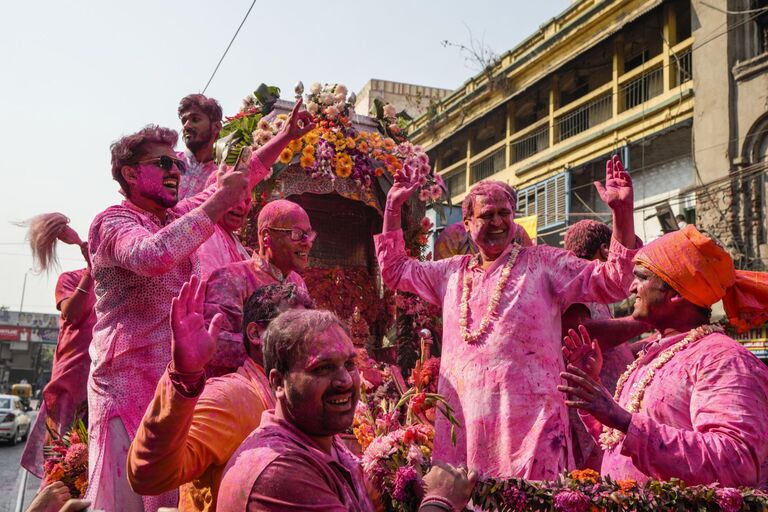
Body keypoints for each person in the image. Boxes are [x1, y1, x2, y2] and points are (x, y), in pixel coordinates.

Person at [86, 101, 314, 511]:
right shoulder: (113, 222)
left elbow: (235, 182)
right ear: (131, 173)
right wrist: (214, 203)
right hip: (125, 385)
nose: (176, 171)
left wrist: (286, 137)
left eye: (177, 163)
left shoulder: (171, 216)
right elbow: (151, 256)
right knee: (128, 500)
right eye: (164, 164)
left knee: (172, 492)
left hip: (176, 381)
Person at [375, 155, 638, 480]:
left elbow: (613, 281)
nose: (498, 222)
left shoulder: (543, 263)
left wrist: (623, 213)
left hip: (532, 424)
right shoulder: (450, 272)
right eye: (487, 215)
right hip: (466, 425)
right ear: (467, 223)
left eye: (505, 214)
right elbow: (396, 270)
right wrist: (392, 208)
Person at [559, 224, 768, 486]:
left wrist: (620, 418)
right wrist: (593, 392)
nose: (632, 288)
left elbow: (736, 462)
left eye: (642, 277)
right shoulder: (654, 356)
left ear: (676, 293)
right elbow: (620, 441)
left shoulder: (723, 359)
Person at [218, 309, 477, 511]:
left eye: (350, 364)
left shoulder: (325, 439)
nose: (344, 381)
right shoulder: (280, 473)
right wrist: (439, 501)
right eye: (322, 368)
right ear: (278, 382)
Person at [127, 280, 313, 511]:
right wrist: (184, 376)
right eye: (294, 326)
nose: (307, 342)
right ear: (256, 333)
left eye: (311, 333)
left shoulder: (302, 401)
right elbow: (149, 475)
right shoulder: (232, 397)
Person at [561, 219, 649, 470]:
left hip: (608, 405)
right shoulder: (578, 283)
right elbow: (579, 334)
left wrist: (655, 342)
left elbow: (610, 349)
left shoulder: (596, 293)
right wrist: (644, 320)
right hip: (589, 411)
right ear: (604, 250)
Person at [17, 213, 95, 478]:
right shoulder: (70, 279)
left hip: (104, 382)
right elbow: (72, 313)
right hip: (71, 383)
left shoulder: (117, 283)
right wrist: (90, 272)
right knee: (63, 468)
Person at [203, 199, 314, 377]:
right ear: (266, 236)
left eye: (309, 235)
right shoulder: (232, 278)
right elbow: (215, 344)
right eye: (297, 234)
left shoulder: (298, 282)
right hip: (241, 391)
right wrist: (280, 348)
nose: (307, 242)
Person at [177, 94, 223, 199]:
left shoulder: (220, 176)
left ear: (216, 127)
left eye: (195, 119)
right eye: (184, 121)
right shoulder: (169, 163)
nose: (186, 126)